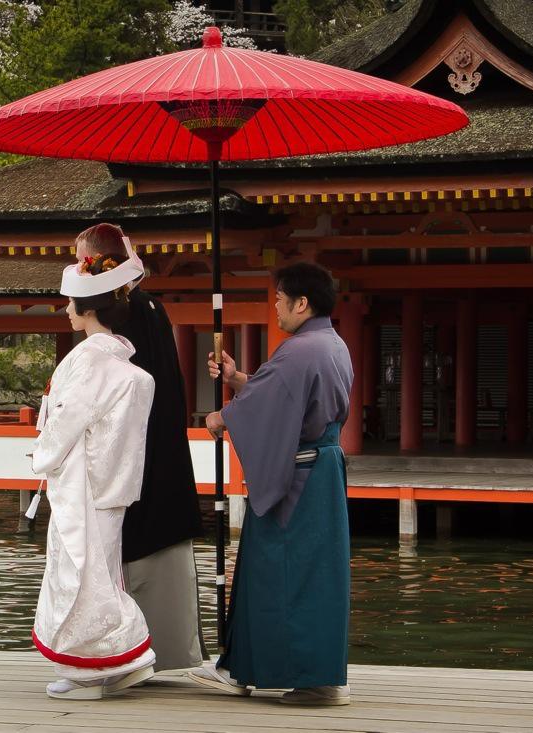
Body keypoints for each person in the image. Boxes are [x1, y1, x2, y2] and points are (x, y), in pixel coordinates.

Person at [192, 262, 354, 706]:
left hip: (295, 481)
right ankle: (302, 672)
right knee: (315, 575)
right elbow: (280, 394)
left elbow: (270, 402)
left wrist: (222, 416)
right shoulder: (331, 344)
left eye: (280, 300)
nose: (276, 308)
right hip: (321, 471)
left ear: (303, 303)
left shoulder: (298, 350)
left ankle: (293, 674)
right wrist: (236, 379)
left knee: (278, 572)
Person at [74, 223, 206, 672]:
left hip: (134, 445)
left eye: (80, 259)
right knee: (151, 538)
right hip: (158, 442)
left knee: (133, 542)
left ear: (98, 262)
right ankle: (164, 650)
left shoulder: (129, 313)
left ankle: (134, 651)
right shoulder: (149, 307)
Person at [30, 249, 157, 700]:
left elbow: (65, 421)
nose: (66, 310)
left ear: (88, 310)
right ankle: (110, 662)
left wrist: (41, 455)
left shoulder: (84, 362)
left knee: (79, 575)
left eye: (70, 304)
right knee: (100, 569)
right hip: (114, 483)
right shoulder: (131, 371)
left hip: (82, 485)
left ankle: (100, 665)